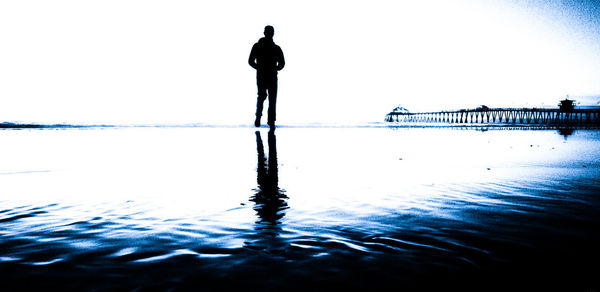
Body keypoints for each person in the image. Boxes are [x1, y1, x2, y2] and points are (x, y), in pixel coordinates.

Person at [248, 25, 285, 127]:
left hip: (265, 75)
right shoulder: (274, 48)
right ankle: (266, 120)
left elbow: (282, 64)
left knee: (264, 97)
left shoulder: (262, 47)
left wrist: (259, 68)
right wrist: (262, 68)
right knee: (267, 97)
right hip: (268, 76)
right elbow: (282, 64)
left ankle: (263, 119)